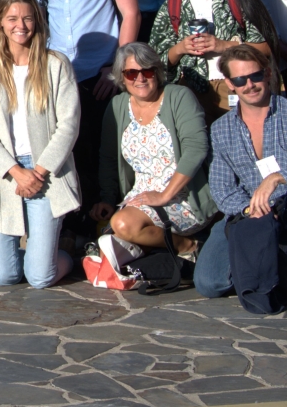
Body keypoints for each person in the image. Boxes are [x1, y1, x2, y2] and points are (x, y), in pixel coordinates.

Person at [193, 45, 287, 307]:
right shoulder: (221, 129)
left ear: (269, 73)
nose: (249, 85)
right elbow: (222, 188)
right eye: (240, 79)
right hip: (251, 214)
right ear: (230, 83)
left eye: (256, 76)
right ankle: (277, 264)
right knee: (209, 283)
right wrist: (251, 210)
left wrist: (278, 177)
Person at [25, 0, 139, 211]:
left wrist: (116, 69)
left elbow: (130, 13)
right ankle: (79, 229)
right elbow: (34, 23)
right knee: (70, 157)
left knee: (109, 157)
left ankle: (115, 224)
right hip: (60, 79)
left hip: (102, 76)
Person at [0, 0, 80, 289]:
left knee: (40, 277)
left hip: (46, 173)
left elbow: (69, 124)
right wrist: (16, 171)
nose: (21, 25)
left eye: (28, 18)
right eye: (13, 19)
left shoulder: (56, 64)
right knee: (4, 276)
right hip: (3, 172)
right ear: (0, 22)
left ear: (37, 21)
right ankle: (34, 253)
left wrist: (39, 172)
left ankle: (69, 254)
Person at [92, 42, 217, 263]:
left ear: (157, 72)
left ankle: (188, 247)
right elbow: (109, 158)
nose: (140, 78)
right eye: (131, 73)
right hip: (139, 196)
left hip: (182, 196)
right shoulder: (118, 105)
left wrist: (165, 195)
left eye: (147, 71)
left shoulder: (178, 96)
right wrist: (108, 199)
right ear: (122, 77)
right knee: (107, 241)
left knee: (122, 225)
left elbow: (196, 148)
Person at [150, 0, 273, 114]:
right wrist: (181, 48)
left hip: (234, 86)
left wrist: (223, 45)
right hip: (189, 92)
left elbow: (267, 47)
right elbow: (153, 60)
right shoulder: (174, 3)